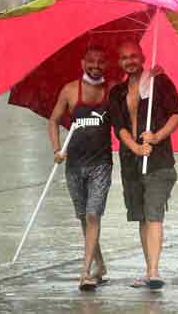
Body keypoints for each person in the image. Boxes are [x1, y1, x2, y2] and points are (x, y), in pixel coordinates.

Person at [109, 41, 178, 291]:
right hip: (132, 163)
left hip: (158, 161)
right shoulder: (117, 92)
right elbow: (119, 127)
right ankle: (148, 269)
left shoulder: (159, 82)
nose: (129, 61)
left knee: (154, 214)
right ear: (119, 62)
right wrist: (135, 147)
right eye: (124, 57)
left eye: (133, 56)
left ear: (142, 57)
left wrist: (157, 136)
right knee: (142, 216)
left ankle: (153, 272)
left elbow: (177, 114)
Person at [49, 44, 113, 291]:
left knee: (93, 214)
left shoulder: (111, 91)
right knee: (83, 219)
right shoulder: (70, 90)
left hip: (101, 164)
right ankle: (100, 265)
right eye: (91, 61)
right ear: (82, 63)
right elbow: (54, 121)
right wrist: (57, 149)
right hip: (74, 165)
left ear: (106, 65)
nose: (96, 66)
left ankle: (85, 272)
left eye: (101, 62)